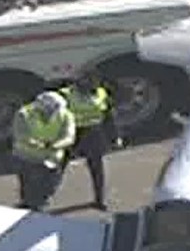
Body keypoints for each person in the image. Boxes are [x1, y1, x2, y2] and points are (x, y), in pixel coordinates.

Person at [59, 72, 121, 210]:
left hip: (94, 134)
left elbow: (108, 117)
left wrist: (114, 136)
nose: (91, 87)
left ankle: (99, 199)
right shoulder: (67, 94)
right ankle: (42, 197)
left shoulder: (101, 94)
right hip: (73, 133)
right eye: (87, 84)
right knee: (57, 167)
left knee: (97, 168)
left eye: (93, 84)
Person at [11, 90, 76, 211]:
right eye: (50, 110)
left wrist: (55, 145)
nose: (53, 113)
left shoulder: (65, 115)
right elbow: (21, 135)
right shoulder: (24, 114)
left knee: (49, 185)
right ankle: (28, 205)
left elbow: (69, 136)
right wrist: (40, 145)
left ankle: (38, 204)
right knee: (28, 186)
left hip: (52, 158)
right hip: (27, 156)